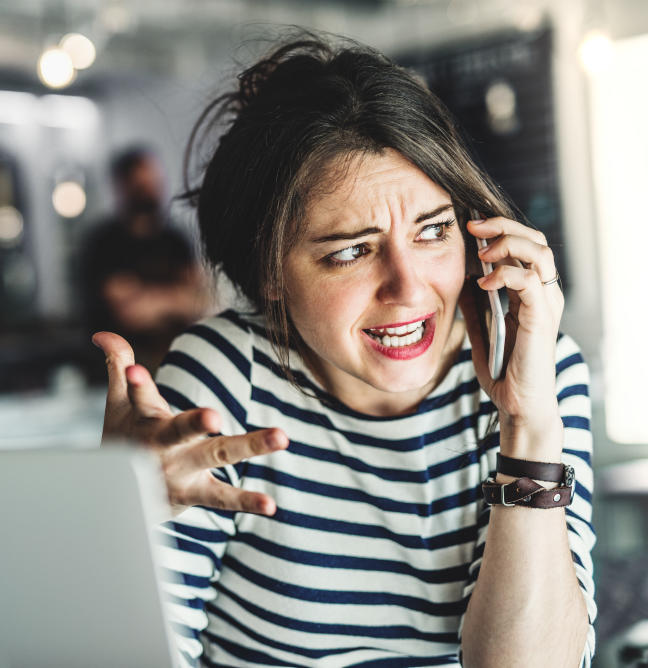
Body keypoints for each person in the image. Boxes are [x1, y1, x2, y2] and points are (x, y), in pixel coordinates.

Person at [93, 34, 595, 667]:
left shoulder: (539, 367)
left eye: (433, 232)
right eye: (350, 251)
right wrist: (119, 525)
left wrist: (527, 424)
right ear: (270, 269)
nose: (410, 290)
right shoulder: (229, 377)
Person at [79, 146, 210, 378]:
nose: (151, 189)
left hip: (173, 362)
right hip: (116, 368)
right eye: (143, 183)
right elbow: (131, 313)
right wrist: (176, 298)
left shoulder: (175, 240)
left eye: (155, 181)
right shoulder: (104, 242)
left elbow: (200, 302)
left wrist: (155, 300)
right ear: (124, 185)